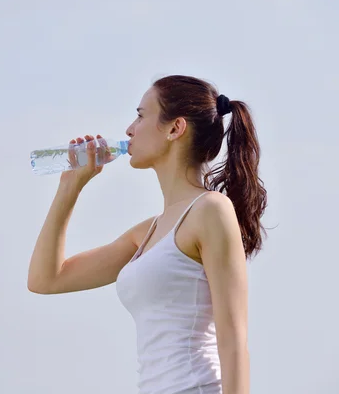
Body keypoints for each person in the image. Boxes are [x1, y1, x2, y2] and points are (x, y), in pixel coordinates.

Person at [27, 75, 268, 394]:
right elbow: (46, 280)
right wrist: (69, 188)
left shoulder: (210, 210)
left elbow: (234, 341)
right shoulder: (148, 232)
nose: (129, 129)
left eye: (141, 115)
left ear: (174, 129)